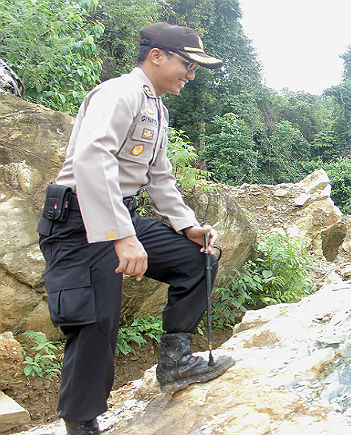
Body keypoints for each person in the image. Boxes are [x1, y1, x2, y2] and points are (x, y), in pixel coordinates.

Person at [36, 22, 234, 435]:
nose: (190, 75)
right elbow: (93, 157)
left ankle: (176, 361)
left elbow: (159, 177)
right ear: (156, 56)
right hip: (78, 221)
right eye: (187, 64)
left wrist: (189, 226)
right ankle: (81, 423)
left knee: (197, 259)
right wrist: (122, 237)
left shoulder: (156, 107)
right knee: (95, 324)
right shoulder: (120, 93)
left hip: (118, 216)